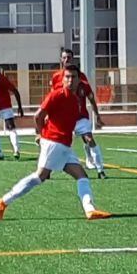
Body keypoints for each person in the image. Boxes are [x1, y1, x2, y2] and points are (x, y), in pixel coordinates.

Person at [0, 65, 111, 221]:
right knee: (40, 176)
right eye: (67, 77)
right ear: (63, 79)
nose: (70, 80)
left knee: (82, 176)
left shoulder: (75, 99)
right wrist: (42, 135)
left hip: (65, 146)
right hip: (54, 143)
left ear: (79, 80)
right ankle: (4, 201)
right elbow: (38, 116)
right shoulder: (56, 95)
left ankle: (90, 210)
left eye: (73, 77)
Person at [50, 49, 106, 179]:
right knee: (57, 143)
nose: (67, 60)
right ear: (61, 59)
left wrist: (97, 115)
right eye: (64, 57)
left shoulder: (82, 78)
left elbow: (90, 97)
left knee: (89, 139)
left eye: (69, 57)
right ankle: (48, 169)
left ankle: (100, 170)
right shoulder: (56, 77)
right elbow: (52, 98)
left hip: (80, 117)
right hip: (64, 118)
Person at [0, 59, 24, 161]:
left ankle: (16, 150)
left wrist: (20, 107)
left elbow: (15, 91)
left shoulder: (3, 79)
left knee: (10, 127)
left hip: (5, 106)